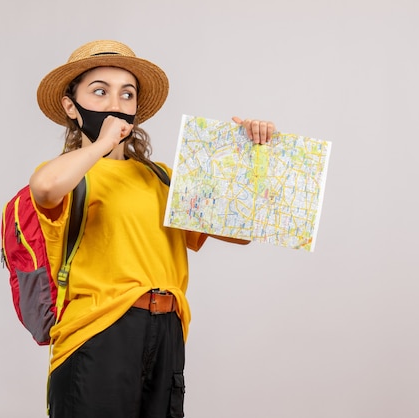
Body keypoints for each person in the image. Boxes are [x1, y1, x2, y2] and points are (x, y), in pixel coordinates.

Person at [30, 39, 275, 418]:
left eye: (127, 95)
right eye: (100, 92)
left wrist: (251, 155)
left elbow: (240, 232)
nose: (116, 104)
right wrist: (103, 144)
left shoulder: (163, 178)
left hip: (167, 333)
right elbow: (44, 189)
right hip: (97, 334)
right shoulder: (69, 175)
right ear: (70, 106)